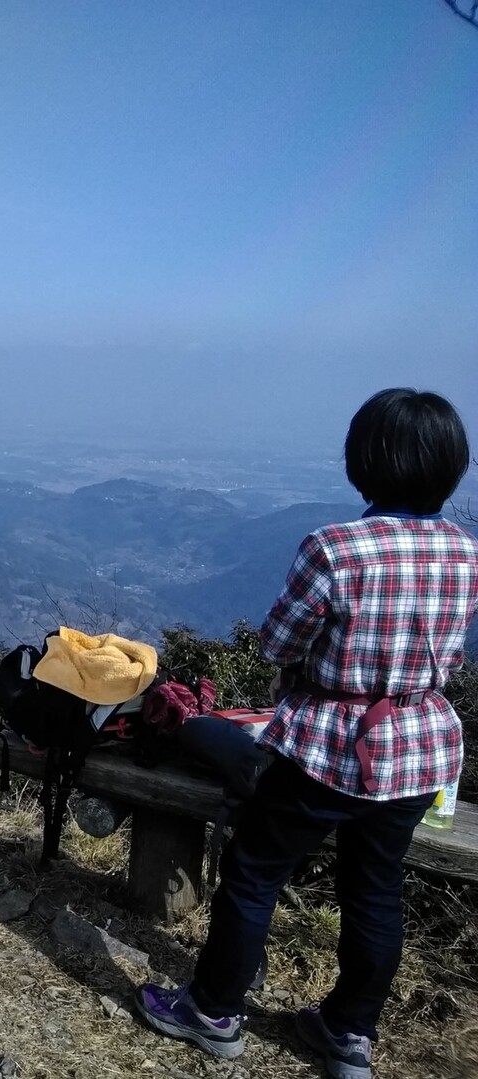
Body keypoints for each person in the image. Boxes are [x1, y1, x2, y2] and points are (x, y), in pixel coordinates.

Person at [135, 388, 477, 1079]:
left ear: (364, 463)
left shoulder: (336, 548)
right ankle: (350, 1034)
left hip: (329, 743)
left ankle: (212, 1011)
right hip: (418, 749)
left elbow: (278, 641)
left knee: (255, 873)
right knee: (376, 888)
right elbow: (453, 656)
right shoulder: (465, 553)